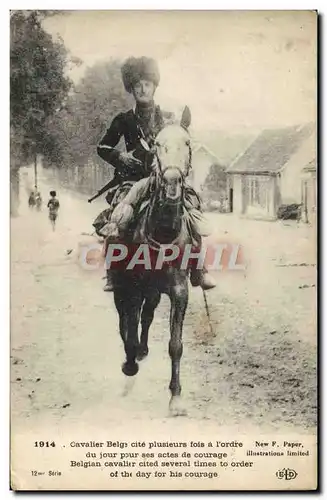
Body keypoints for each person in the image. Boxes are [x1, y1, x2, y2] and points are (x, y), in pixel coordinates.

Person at [96, 56, 216, 292]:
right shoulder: (123, 120)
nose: (143, 89)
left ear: (154, 87)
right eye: (138, 85)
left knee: (191, 209)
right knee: (118, 215)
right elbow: (102, 147)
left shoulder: (167, 118)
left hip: (164, 177)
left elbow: (178, 143)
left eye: (147, 84)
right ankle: (113, 273)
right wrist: (120, 157)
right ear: (131, 88)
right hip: (132, 181)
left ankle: (199, 270)